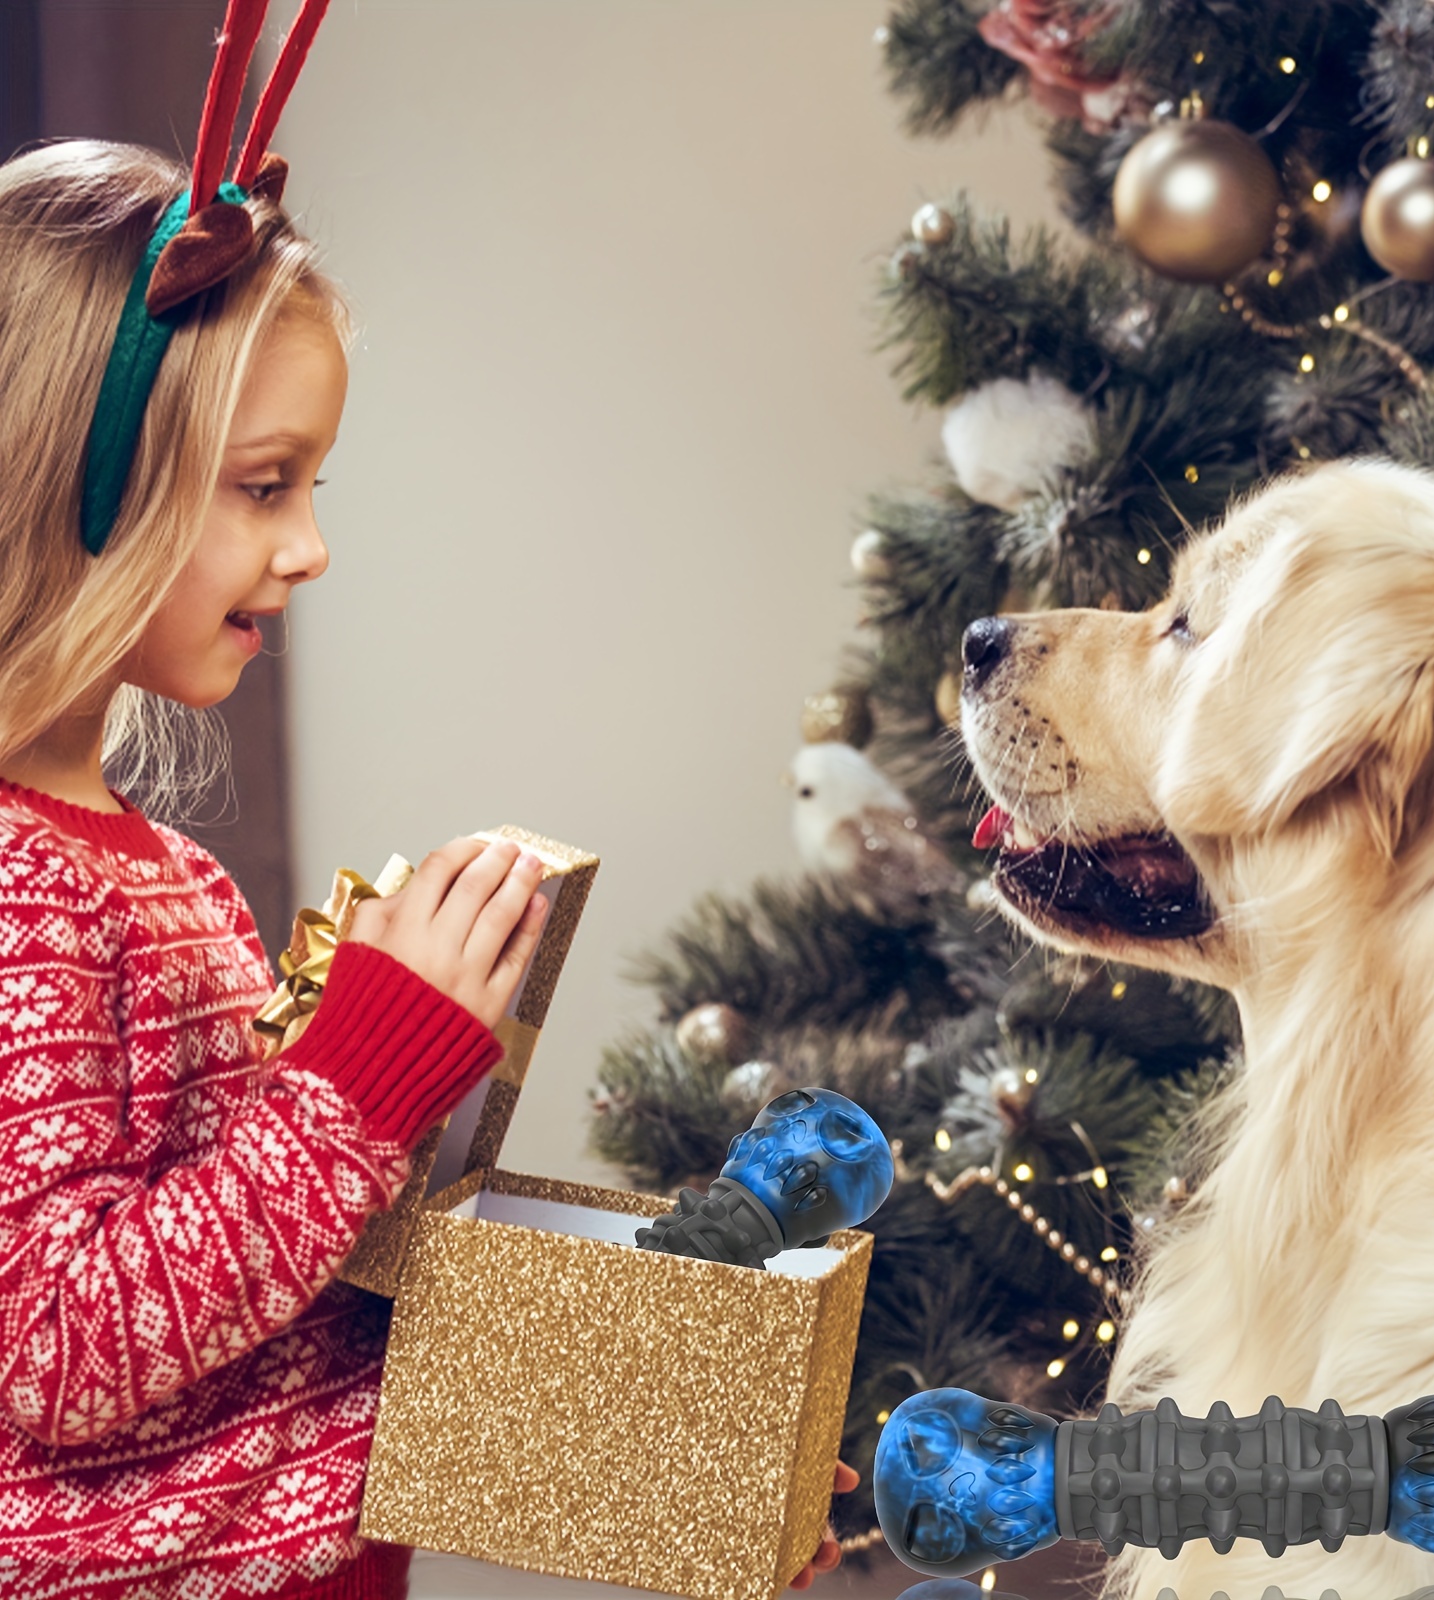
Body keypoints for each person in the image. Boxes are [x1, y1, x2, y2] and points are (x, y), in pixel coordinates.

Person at [0, 137, 853, 1600]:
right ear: (77, 487)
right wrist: (363, 1077)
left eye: (312, 484)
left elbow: (262, 1311)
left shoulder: (166, 877)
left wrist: (656, 1434)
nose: (313, 545)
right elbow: (58, 1353)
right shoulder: (22, 891)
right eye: (264, 487)